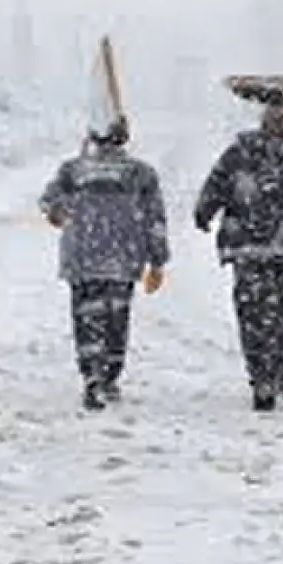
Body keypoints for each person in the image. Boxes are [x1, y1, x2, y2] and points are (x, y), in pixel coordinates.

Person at [192, 90, 283, 411]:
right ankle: (280, 376)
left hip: (251, 246)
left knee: (254, 315)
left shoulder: (243, 150)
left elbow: (217, 184)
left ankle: (262, 377)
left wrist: (205, 212)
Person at [39, 116, 170, 411]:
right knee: (116, 320)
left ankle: (92, 376)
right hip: (123, 259)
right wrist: (157, 260)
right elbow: (155, 219)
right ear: (124, 138)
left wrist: (58, 213)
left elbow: (49, 202)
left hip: (83, 258)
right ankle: (109, 375)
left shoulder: (72, 170)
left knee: (87, 318)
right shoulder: (141, 173)